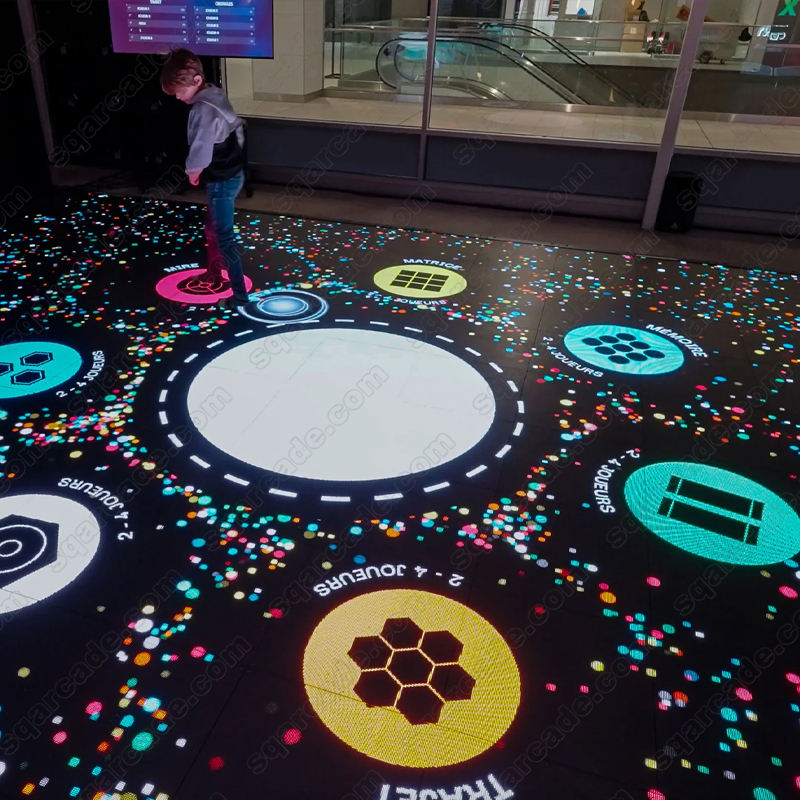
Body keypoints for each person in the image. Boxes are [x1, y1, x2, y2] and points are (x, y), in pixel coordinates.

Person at [160, 48, 250, 308]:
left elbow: (201, 147)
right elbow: (238, 130)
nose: (178, 97)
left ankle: (239, 297)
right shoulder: (215, 94)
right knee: (212, 229)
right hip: (232, 174)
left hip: (221, 180)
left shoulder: (202, 109)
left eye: (179, 91)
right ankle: (214, 273)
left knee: (224, 237)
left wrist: (193, 172)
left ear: (197, 81)